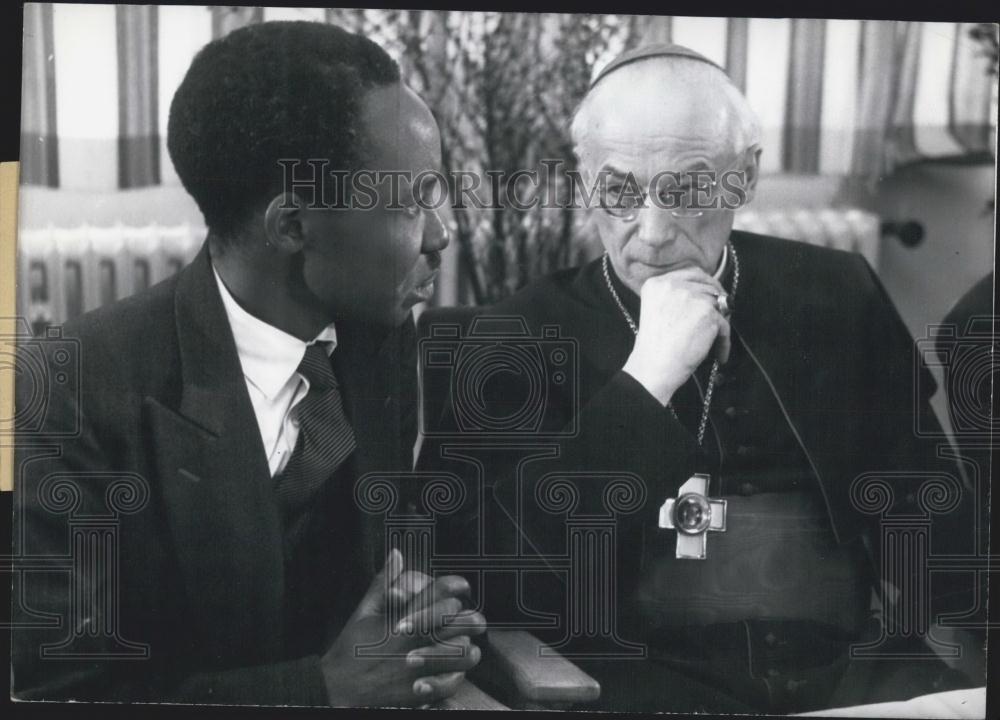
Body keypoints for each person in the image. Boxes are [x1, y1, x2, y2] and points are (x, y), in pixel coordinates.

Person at [417, 44, 983, 714]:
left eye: (686, 190)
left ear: (744, 179)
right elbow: (482, 585)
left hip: (852, 678)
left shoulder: (836, 295)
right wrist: (646, 380)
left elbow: (938, 529)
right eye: (619, 191)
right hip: (637, 687)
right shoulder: (513, 338)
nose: (651, 235)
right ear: (583, 178)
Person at [11, 21, 485, 707]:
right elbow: (61, 693)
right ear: (291, 226)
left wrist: (412, 626)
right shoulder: (68, 389)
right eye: (411, 202)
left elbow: (367, 582)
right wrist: (322, 690)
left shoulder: (379, 341)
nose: (442, 235)